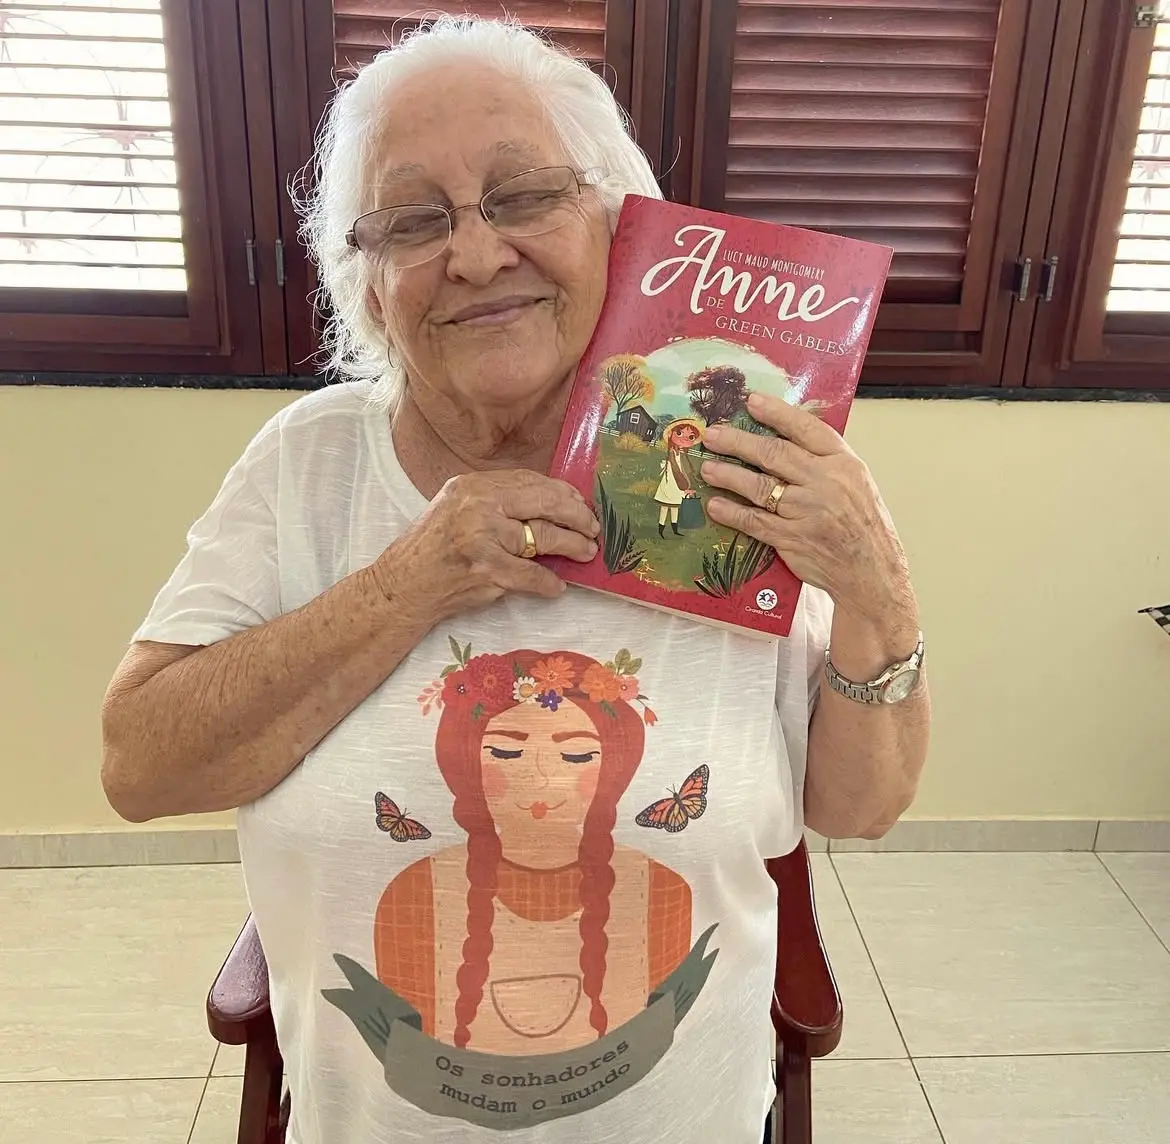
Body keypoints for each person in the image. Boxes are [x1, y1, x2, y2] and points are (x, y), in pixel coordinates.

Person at [100, 16, 930, 1144]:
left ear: (622, 226)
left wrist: (878, 591)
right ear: (371, 284)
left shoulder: (726, 458)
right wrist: (408, 583)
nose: (479, 256)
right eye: (414, 221)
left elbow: (859, 805)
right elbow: (141, 765)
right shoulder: (310, 466)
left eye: (525, 195)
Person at [653, 417, 703, 536]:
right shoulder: (671, 452)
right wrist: (684, 485)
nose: (684, 439)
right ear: (671, 434)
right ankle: (661, 529)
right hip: (671, 482)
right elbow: (675, 470)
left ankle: (674, 529)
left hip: (676, 483)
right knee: (665, 507)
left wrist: (687, 484)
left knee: (674, 506)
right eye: (679, 433)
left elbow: (681, 470)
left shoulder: (678, 453)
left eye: (690, 437)